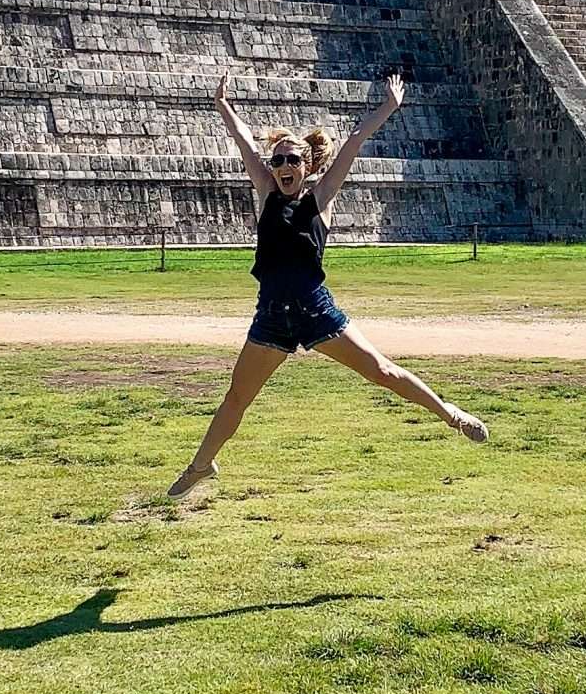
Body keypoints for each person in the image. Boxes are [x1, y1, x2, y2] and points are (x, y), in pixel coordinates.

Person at [168, 73, 489, 497]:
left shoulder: (320, 199)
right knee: (236, 399)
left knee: (384, 371)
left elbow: (354, 140)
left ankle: (452, 415)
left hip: (316, 311)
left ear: (307, 167)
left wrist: (388, 107)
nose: (283, 167)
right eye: (278, 161)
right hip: (271, 318)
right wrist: (223, 105)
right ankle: (200, 466)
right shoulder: (266, 193)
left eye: (291, 161)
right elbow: (245, 142)